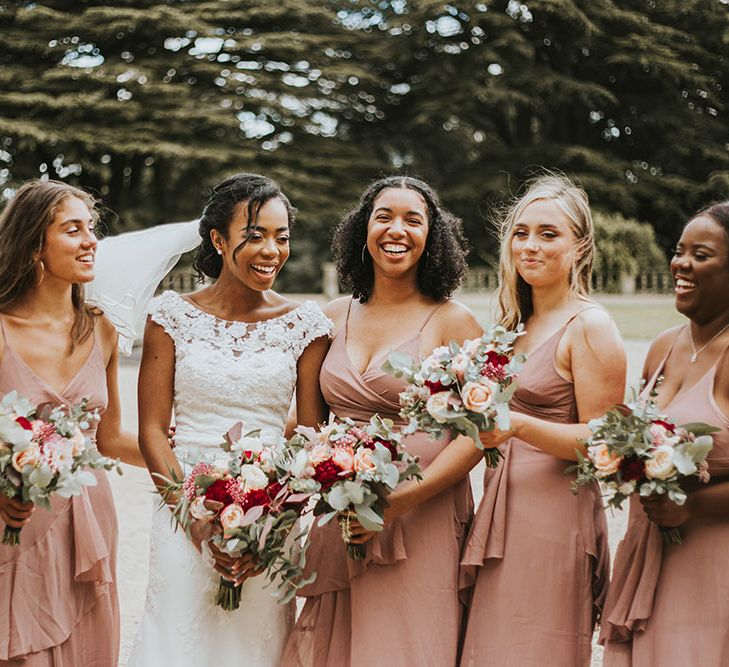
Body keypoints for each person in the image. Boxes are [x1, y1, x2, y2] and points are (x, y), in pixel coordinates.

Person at [128, 173, 331, 667]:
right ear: (218, 240)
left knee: (254, 644)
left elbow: (310, 438)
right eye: (255, 235)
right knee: (177, 637)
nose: (271, 251)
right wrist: (192, 518)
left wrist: (271, 521)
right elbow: (153, 430)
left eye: (282, 237)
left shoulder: (308, 326)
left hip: (273, 510)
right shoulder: (170, 316)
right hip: (183, 502)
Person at [282, 176, 482, 666]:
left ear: (433, 235)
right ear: (362, 230)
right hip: (344, 512)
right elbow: (306, 425)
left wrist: (398, 501)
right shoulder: (329, 316)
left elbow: (478, 437)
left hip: (423, 515)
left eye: (414, 220)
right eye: (384, 216)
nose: (397, 230)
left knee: (410, 646)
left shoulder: (455, 321)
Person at [459, 174, 626, 666]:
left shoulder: (590, 326)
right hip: (499, 511)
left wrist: (518, 425)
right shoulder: (512, 326)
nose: (530, 246)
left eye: (549, 234)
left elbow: (606, 444)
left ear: (579, 247)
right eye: (521, 232)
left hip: (553, 521)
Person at [0, 180, 142, 666]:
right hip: (12, 521)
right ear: (35, 243)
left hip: (88, 522)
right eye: (73, 229)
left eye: (92, 229)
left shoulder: (101, 328)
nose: (90, 241)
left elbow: (111, 439)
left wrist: (194, 461)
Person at [600, 202, 729, 666]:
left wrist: (692, 504)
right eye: (679, 251)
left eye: (702, 254)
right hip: (647, 552)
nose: (681, 264)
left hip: (712, 567)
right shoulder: (663, 346)